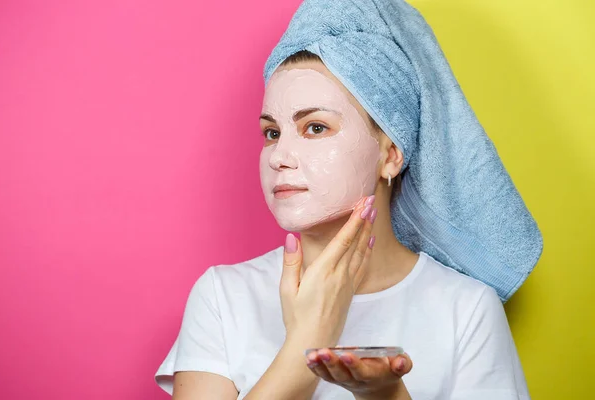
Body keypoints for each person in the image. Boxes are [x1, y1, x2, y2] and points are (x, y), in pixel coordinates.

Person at [155, 1, 542, 399]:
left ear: (390, 154)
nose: (279, 156)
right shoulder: (223, 296)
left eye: (315, 127)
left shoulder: (466, 309)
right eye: (271, 133)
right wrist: (303, 345)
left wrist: (387, 395)